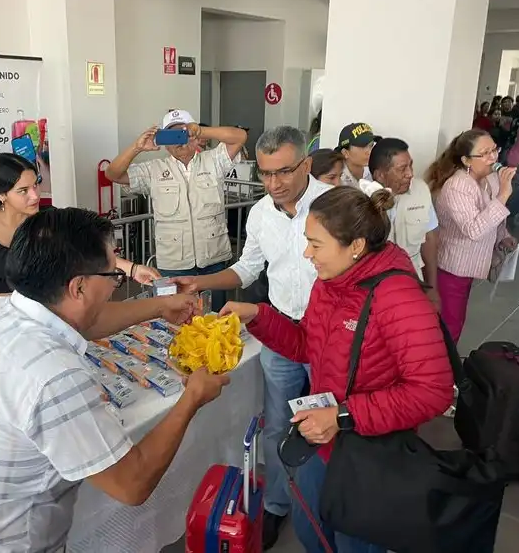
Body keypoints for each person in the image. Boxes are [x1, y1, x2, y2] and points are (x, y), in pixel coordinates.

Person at [0, 208, 231, 553]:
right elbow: (131, 483)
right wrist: (191, 398)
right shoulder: (53, 375)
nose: (116, 283)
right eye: (113, 275)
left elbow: (81, 319)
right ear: (78, 286)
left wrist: (160, 307)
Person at [219, 186, 453, 553]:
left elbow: (433, 392)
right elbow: (305, 346)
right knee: (312, 529)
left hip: (367, 454)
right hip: (324, 441)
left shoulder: (398, 298)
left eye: (315, 244)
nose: (306, 253)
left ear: (355, 246)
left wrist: (342, 415)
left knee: (354, 542)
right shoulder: (330, 284)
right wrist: (258, 316)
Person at [169, 126, 332, 549]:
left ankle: (329, 503)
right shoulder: (260, 213)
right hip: (281, 333)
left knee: (334, 422)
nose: (274, 183)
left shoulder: (333, 207)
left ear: (307, 164)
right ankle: (277, 505)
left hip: (331, 339)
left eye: (283, 172)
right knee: (278, 424)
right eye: (265, 173)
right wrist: (200, 282)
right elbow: (246, 269)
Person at [0, 153, 158, 318]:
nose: (35, 195)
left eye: (36, 184)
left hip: (43, 318)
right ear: (1, 195)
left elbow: (85, 249)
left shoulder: (46, 218)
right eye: (23, 191)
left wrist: (133, 269)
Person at [103, 110, 248, 312]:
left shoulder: (213, 161)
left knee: (216, 316)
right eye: (172, 135)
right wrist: (137, 148)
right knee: (177, 318)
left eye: (183, 133)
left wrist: (202, 130)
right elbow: (113, 173)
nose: (179, 140)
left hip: (214, 260)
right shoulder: (153, 170)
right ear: (164, 140)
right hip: (174, 263)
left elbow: (240, 137)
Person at [426, 130, 518, 343]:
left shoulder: (489, 178)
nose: (493, 158)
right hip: (452, 268)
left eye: (494, 150)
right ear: (466, 160)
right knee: (450, 326)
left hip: (468, 266)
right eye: (484, 153)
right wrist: (504, 194)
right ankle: (444, 372)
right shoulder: (458, 186)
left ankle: (449, 369)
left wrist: (503, 235)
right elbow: (473, 229)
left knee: (456, 321)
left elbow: (491, 216)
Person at [362, 137, 440, 309]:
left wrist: (432, 288)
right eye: (402, 168)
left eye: (410, 165)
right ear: (380, 175)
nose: (410, 173)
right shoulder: (361, 199)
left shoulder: (421, 190)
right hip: (375, 288)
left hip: (412, 281)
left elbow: (430, 239)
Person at [335, 122, 380, 186]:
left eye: (371, 145)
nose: (369, 151)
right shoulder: (336, 178)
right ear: (345, 153)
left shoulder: (375, 170)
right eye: (363, 146)